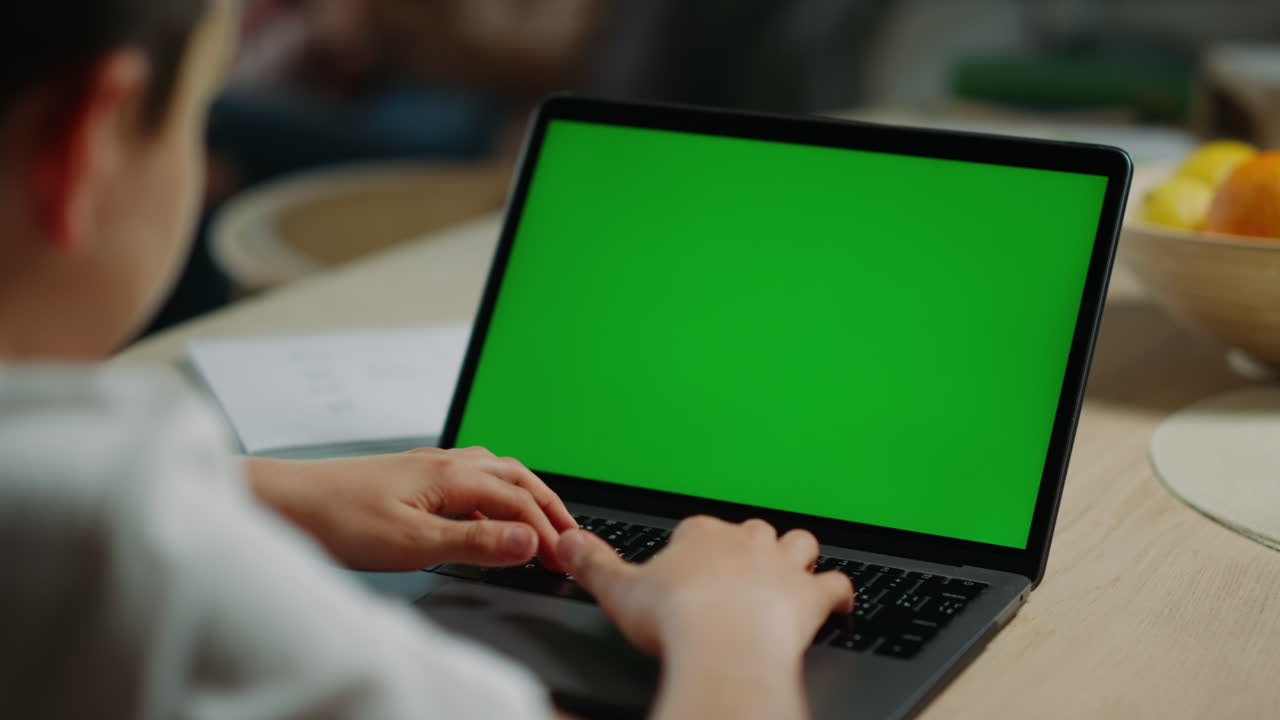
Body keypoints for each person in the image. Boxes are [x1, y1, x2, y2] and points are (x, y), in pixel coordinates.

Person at [0, 2, 853, 719]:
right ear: (85, 144)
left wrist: (266, 489)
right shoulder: (128, 545)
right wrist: (735, 636)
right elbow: (98, 528)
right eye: (201, 109)